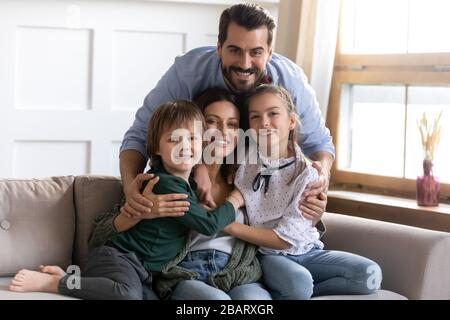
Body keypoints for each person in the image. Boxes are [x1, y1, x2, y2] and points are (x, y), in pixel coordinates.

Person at [9, 101, 243, 299]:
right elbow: (210, 224)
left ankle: (72, 279)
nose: (184, 146)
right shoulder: (164, 184)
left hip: (143, 271)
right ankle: (55, 284)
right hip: (120, 258)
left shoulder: (185, 184)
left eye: (192, 138)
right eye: (174, 139)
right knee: (127, 295)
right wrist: (235, 199)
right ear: (157, 148)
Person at [119, 3, 333, 221]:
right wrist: (130, 188)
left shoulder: (291, 80)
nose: (245, 64)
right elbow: (140, 134)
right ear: (219, 47)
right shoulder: (187, 72)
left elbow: (319, 144)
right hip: (188, 182)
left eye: (256, 52)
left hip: (263, 196)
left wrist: (321, 179)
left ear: (269, 53)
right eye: (235, 50)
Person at [224, 85, 383, 299]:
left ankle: (290, 291)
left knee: (369, 274)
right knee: (299, 282)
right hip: (268, 256)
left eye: (273, 113)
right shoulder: (246, 165)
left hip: (307, 251)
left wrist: (230, 227)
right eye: (255, 117)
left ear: (291, 121)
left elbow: (285, 239)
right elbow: (239, 195)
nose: (264, 122)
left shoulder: (308, 173)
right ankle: (293, 287)